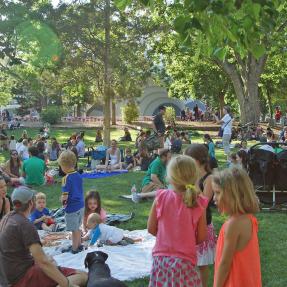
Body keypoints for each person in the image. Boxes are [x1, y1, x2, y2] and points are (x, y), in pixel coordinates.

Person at [0, 186, 88, 287]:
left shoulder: (6, 218)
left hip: (7, 278)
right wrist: (67, 284)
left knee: (50, 260)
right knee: (82, 275)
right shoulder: (25, 225)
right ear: (31, 203)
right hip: (22, 278)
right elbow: (42, 262)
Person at [147, 155, 208, 287]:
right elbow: (202, 236)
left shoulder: (161, 197)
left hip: (161, 260)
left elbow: (151, 228)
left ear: (170, 177)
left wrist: (167, 237)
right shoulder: (199, 202)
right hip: (185, 262)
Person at [212, 167, 261, 287]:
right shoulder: (249, 218)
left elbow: (224, 264)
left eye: (218, 193)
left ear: (233, 195)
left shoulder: (232, 225)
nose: (213, 198)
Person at [185, 144, 217, 287]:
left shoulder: (209, 179)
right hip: (189, 224)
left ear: (197, 160)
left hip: (203, 223)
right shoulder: (191, 177)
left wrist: (194, 183)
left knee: (202, 264)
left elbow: (203, 202)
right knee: (190, 261)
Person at [58, 150, 85, 254]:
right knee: (77, 227)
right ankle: (78, 245)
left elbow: (65, 196)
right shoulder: (78, 175)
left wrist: (63, 203)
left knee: (74, 230)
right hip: (81, 205)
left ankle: (74, 249)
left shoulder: (66, 179)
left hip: (72, 207)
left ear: (64, 166)